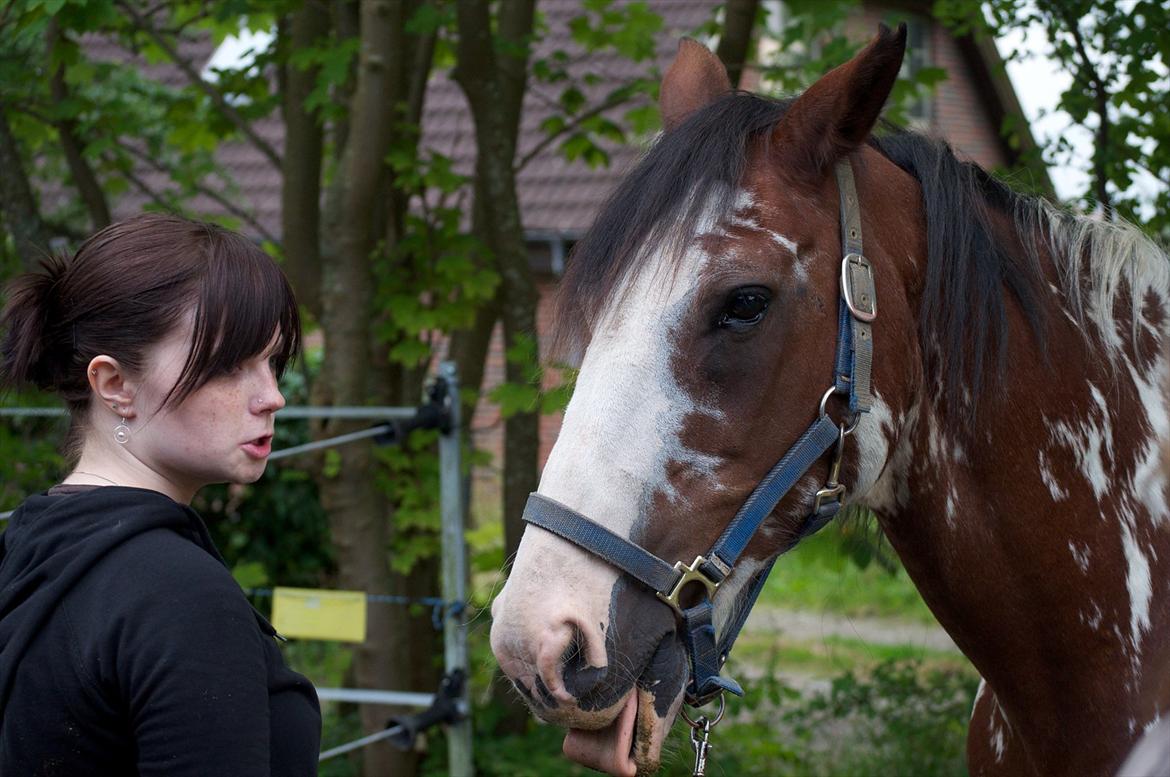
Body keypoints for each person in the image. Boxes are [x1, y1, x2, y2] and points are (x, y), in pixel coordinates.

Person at [0, 213, 321, 775]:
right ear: (115, 385)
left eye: (272, 362)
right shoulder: (177, 593)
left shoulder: (26, 549)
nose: (272, 396)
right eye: (230, 365)